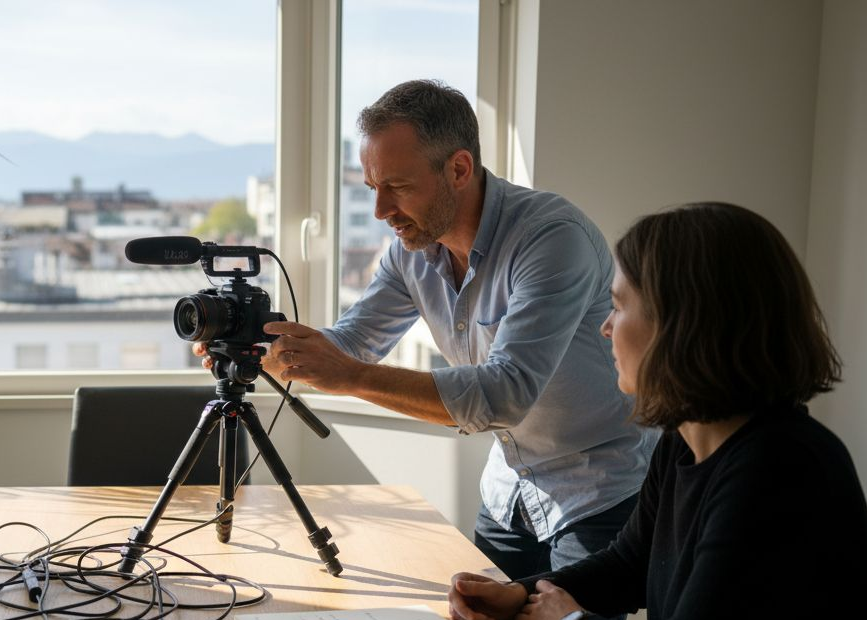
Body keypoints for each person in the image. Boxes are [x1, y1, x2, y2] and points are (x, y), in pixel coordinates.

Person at [447, 202, 867, 620]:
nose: (605, 326)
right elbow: (630, 564)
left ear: (684, 323)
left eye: (620, 306)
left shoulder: (779, 469)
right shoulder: (686, 437)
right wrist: (521, 593)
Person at [211, 80, 656, 580]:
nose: (380, 211)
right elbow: (353, 341)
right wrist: (261, 349)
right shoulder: (411, 251)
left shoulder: (551, 239)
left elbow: (504, 394)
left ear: (459, 169)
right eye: (372, 189)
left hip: (597, 492)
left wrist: (350, 377)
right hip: (510, 489)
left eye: (397, 187)